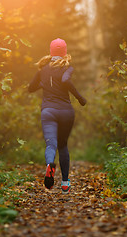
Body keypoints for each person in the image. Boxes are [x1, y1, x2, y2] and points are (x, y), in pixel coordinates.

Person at [28, 38, 87, 194]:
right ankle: (65, 183)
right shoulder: (67, 67)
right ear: (65, 52)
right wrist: (80, 98)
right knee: (63, 145)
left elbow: (30, 88)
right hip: (66, 112)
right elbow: (65, 79)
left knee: (51, 144)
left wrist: (42, 83)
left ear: (51, 51)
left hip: (48, 111)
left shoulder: (42, 69)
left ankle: (49, 165)